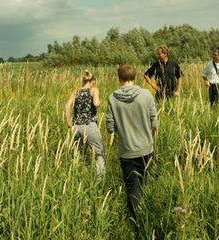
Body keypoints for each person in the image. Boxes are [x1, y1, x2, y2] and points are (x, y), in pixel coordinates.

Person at [106, 64, 158, 232]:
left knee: (132, 188)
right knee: (145, 183)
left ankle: (137, 224)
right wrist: (148, 136)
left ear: (119, 79)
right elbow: (154, 121)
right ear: (134, 77)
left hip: (126, 152)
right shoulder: (146, 94)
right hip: (146, 149)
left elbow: (110, 127)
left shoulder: (112, 98)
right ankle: (149, 217)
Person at [65, 70, 105, 177]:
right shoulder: (94, 90)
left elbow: (67, 106)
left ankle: (84, 176)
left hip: (76, 127)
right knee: (98, 154)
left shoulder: (76, 91)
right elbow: (96, 104)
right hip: (89, 125)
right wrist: (98, 101)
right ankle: (100, 179)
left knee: (83, 153)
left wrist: (69, 121)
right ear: (93, 81)